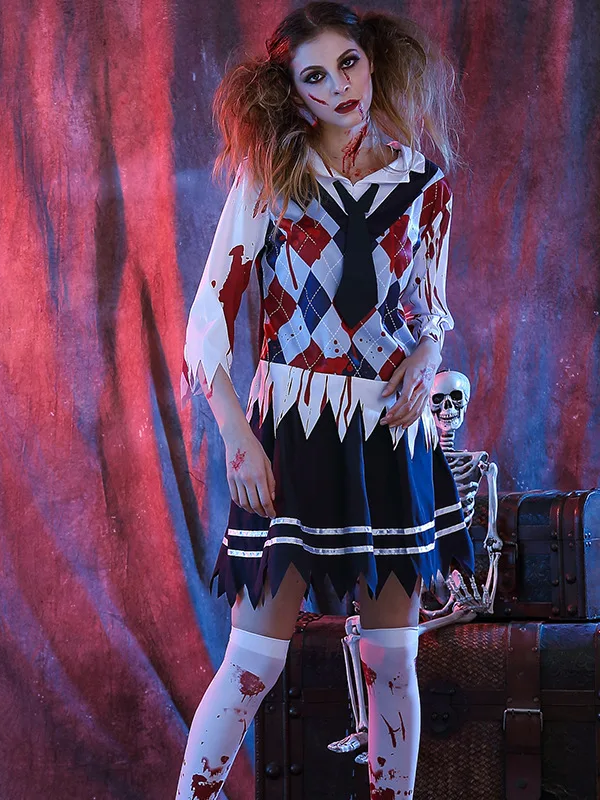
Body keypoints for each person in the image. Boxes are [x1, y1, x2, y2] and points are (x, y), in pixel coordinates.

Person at [175, 2, 475, 798]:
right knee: (252, 663)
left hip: (390, 436)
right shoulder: (272, 177)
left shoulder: (424, 185)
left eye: (348, 63)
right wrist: (238, 437)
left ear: (372, 61)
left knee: (393, 662)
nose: (340, 86)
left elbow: (431, 309)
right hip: (294, 432)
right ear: (292, 92)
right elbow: (208, 320)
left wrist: (428, 355)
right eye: (315, 77)